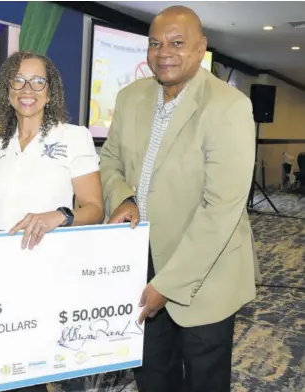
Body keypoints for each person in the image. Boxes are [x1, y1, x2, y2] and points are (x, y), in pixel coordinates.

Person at [99, 6, 258, 392]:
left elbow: (221, 209)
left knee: (204, 377)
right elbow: (111, 160)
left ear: (201, 47)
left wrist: (166, 286)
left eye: (176, 42)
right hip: (142, 260)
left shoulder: (229, 106)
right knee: (152, 372)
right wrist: (124, 198)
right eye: (155, 43)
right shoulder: (130, 96)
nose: (163, 51)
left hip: (206, 271)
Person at [0, 51, 104, 390]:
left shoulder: (74, 137)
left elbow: (94, 208)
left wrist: (59, 216)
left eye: (37, 81)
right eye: (17, 80)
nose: (26, 88)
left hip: (47, 273)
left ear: (50, 91)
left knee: (43, 367)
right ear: (7, 90)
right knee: (0, 369)